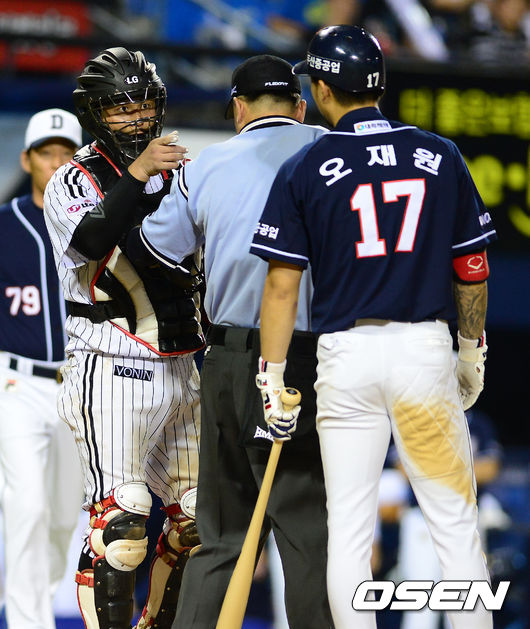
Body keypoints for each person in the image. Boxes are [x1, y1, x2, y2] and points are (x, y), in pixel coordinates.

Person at [250, 24, 497, 629]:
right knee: (453, 522)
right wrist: (471, 350)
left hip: (346, 353)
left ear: (322, 88)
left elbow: (281, 286)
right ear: (380, 85)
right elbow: (471, 268)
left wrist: (273, 375)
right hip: (423, 350)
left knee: (350, 530)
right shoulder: (439, 154)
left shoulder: (307, 164)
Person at [125, 54, 333, 629]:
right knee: (308, 534)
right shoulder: (333, 154)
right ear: (300, 106)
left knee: (221, 536)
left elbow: (153, 251)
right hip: (310, 360)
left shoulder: (210, 164)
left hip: (228, 358)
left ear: (238, 108)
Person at [42, 47, 204, 629]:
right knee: (122, 521)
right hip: (110, 358)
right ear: (94, 114)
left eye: (145, 104)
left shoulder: (184, 170)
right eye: (121, 107)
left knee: (200, 521)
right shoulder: (72, 177)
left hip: (184, 362)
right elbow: (90, 241)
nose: (137, 118)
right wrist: (139, 174)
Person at [0, 108, 84, 628]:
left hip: (78, 386)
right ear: (27, 159)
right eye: (46, 153)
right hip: (17, 384)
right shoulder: (4, 224)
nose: (55, 162)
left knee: (63, 516)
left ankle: (33, 602)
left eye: (65, 153)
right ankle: (28, 620)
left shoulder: (97, 225)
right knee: (27, 506)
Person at [394, 404, 505, 629]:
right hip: (423, 521)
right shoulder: (418, 419)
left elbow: (490, 468)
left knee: (466, 604)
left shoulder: (478, 423)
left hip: (466, 520)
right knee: (420, 603)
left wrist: (436, 472)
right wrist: (462, 472)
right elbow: (403, 467)